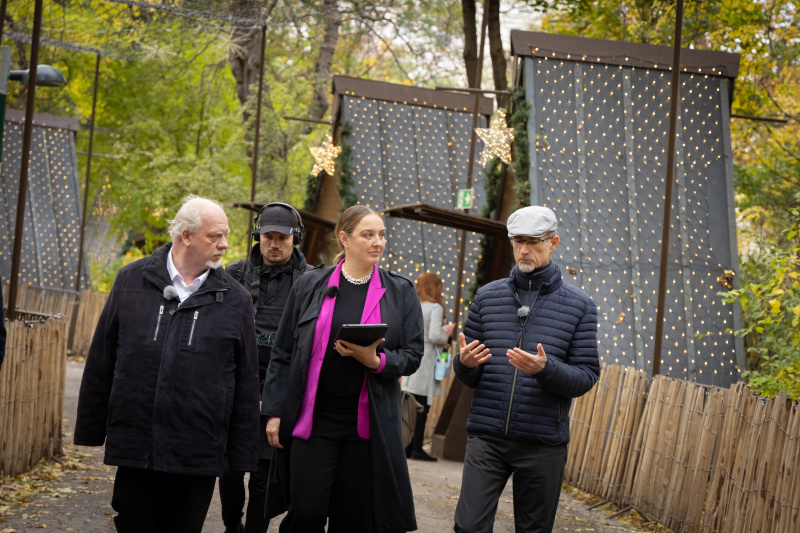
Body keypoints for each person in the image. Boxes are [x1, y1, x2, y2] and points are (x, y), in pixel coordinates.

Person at [74, 195, 260, 533]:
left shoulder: (236, 300)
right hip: (137, 445)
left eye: (226, 235)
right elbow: (103, 357)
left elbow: (246, 383)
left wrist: (241, 455)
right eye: (215, 236)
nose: (225, 244)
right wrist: (90, 429)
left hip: (198, 451)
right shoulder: (131, 281)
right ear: (186, 235)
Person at [262, 204, 424, 532]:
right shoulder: (310, 285)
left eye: (381, 234)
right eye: (368, 235)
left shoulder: (401, 291)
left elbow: (412, 354)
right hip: (313, 423)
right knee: (304, 512)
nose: (378, 241)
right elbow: (282, 352)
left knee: (353, 520)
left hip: (367, 430)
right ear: (344, 239)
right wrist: (274, 412)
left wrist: (376, 361)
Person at [453, 205, 600, 533]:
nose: (524, 250)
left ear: (554, 242)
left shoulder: (580, 306)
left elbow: (586, 376)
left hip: (543, 442)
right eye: (518, 241)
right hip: (487, 437)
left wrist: (545, 369)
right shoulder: (486, 297)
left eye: (534, 242)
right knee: (468, 527)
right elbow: (469, 372)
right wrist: (463, 364)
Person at [219, 203, 311, 533]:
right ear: (259, 236)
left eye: (282, 238)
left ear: (295, 238)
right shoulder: (234, 273)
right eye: (268, 237)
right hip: (236, 387)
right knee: (229, 470)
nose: (274, 244)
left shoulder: (311, 281)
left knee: (263, 476)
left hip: (279, 392)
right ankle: (233, 527)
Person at [401, 272, 454, 461]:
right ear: (434, 286)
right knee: (423, 407)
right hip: (426, 360)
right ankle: (417, 448)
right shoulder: (435, 308)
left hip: (411, 361)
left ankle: (407, 447)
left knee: (408, 405)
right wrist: (445, 335)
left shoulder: (415, 304)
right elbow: (434, 336)